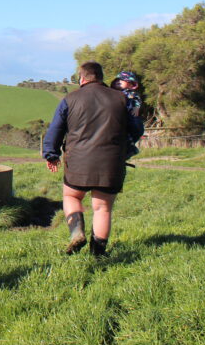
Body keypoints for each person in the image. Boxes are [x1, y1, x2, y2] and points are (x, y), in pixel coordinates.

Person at [42, 62, 143, 257]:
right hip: (112, 162)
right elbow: (136, 129)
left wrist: (51, 154)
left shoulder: (70, 99)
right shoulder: (121, 98)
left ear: (81, 78)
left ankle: (76, 231)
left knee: (72, 196)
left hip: (78, 162)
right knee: (102, 208)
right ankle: (98, 253)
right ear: (101, 77)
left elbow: (55, 129)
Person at [111, 70, 143, 159]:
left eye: (122, 80)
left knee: (137, 129)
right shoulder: (114, 93)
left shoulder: (131, 93)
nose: (118, 82)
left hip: (131, 115)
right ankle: (129, 148)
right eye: (117, 80)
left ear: (130, 84)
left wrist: (136, 107)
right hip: (122, 116)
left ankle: (130, 148)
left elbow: (137, 100)